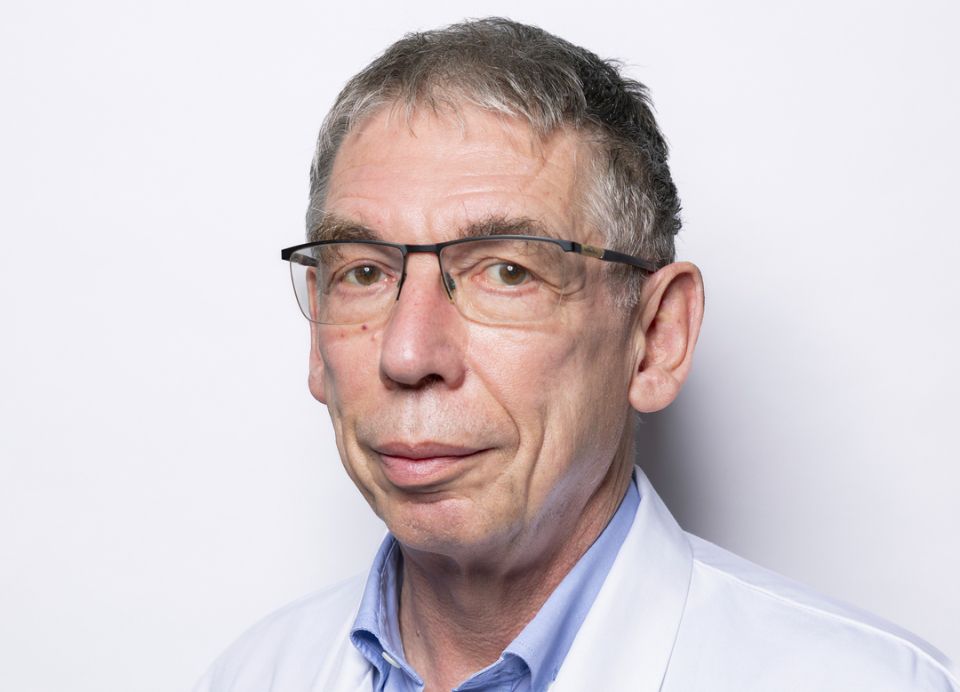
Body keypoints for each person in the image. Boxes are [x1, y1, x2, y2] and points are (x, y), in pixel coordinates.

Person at [196, 17, 958, 692]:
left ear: (656, 338)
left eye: (507, 272)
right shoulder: (250, 676)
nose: (407, 352)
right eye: (364, 273)